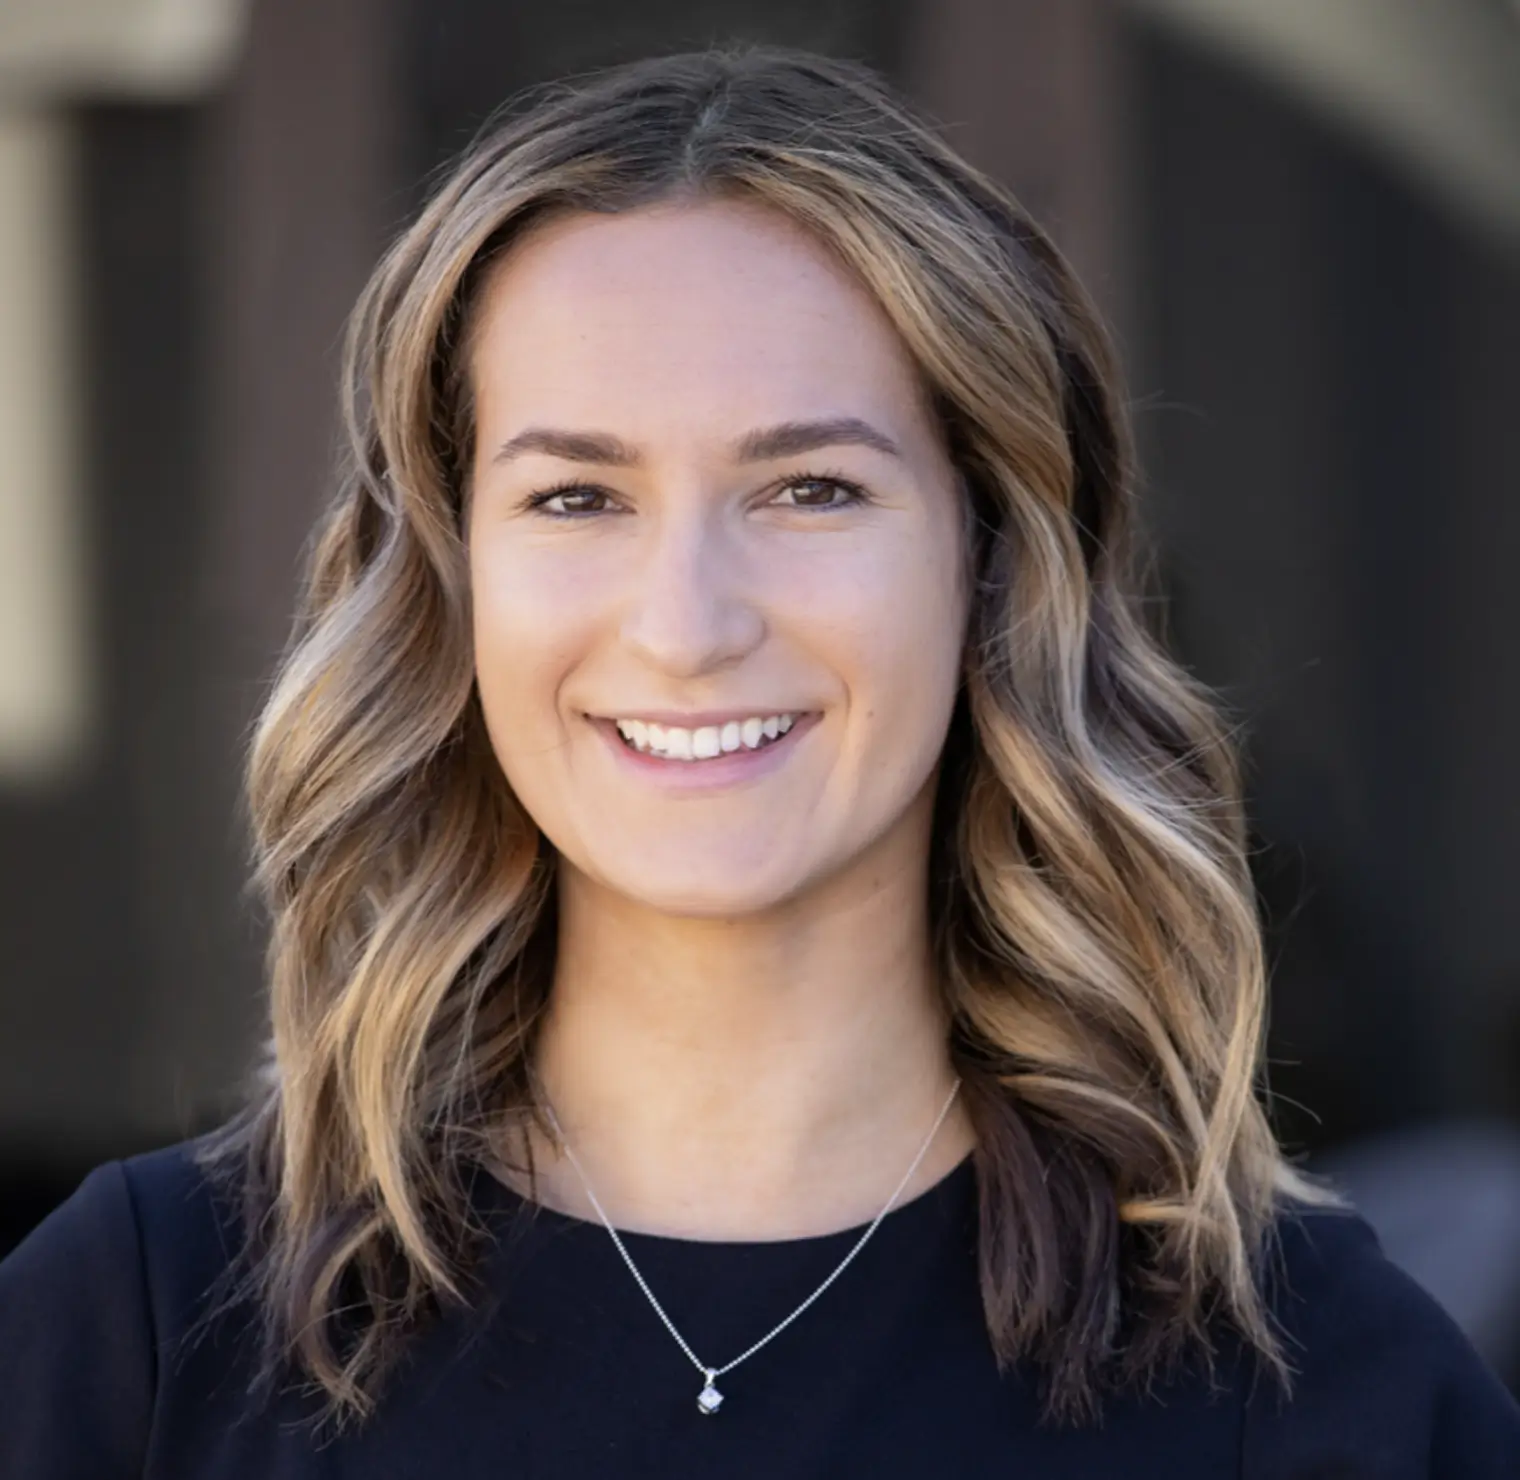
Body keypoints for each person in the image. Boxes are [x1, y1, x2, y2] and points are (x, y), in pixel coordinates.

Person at [1, 44, 1516, 1479]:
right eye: (577, 498)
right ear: (450, 583)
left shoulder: (1307, 1382)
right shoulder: (143, 1333)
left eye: (810, 488)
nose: (687, 626)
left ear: (992, 557)